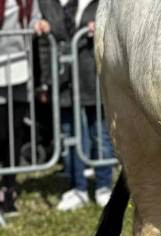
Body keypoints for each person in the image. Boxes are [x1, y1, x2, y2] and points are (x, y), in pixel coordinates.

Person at [37, 0, 113, 211]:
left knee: (100, 134)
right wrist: (46, 80)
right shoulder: (47, 3)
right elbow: (45, 45)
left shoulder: (102, 3)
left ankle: (104, 186)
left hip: (93, 79)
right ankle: (77, 187)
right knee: (69, 135)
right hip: (63, 81)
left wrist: (103, 29)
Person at [0, 0, 47, 216]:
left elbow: (34, 19)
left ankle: (10, 188)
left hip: (20, 70)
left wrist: (39, 25)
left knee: (14, 134)